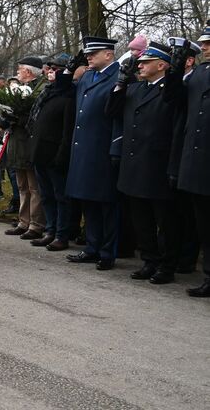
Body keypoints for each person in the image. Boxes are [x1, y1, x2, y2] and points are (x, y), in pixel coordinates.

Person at [107, 41, 179, 284]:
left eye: (146, 62)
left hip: (157, 164)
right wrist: (120, 83)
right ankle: (150, 260)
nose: (139, 66)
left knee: (165, 221)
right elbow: (112, 111)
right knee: (141, 218)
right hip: (134, 163)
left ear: (162, 65)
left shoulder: (170, 89)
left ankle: (167, 265)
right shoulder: (136, 88)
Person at [65, 37, 122, 271]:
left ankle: (107, 253)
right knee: (88, 202)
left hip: (103, 149)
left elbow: (119, 118)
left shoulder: (119, 77)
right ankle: (92, 247)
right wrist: (68, 72)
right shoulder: (89, 76)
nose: (89, 57)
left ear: (108, 54)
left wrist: (115, 149)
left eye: (94, 53)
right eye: (88, 54)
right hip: (83, 148)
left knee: (107, 205)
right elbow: (68, 95)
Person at [165, 22, 210, 297]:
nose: (204, 46)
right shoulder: (200, 73)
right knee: (203, 223)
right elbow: (174, 98)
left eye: (208, 43)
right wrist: (176, 69)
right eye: (203, 43)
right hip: (197, 161)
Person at [27, 53, 76, 250]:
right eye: (49, 68)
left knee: (60, 196)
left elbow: (67, 130)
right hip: (41, 152)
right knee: (46, 195)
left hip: (55, 154)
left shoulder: (69, 95)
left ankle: (61, 234)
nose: (50, 72)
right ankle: (50, 230)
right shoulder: (48, 93)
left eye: (56, 69)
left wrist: (61, 156)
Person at [0, 57, 46, 240]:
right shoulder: (20, 89)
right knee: (22, 186)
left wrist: (19, 117)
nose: (17, 72)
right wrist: (4, 117)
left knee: (34, 187)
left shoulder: (40, 89)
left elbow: (37, 116)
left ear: (28, 71)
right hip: (17, 142)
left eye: (20, 69)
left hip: (29, 142)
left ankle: (36, 224)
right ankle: (23, 221)